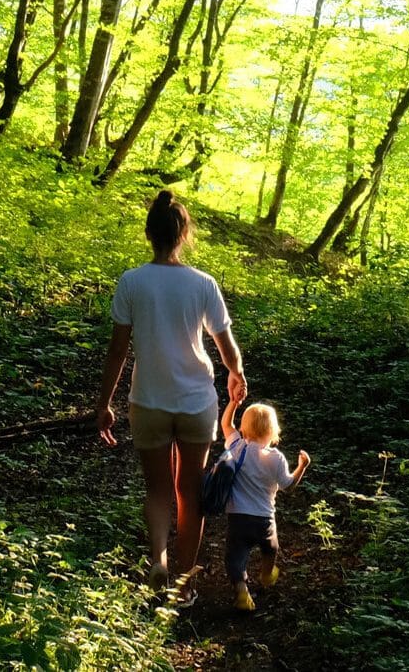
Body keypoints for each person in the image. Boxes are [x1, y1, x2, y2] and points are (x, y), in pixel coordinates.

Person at [96, 189, 247, 602]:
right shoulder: (203, 284)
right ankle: (183, 584)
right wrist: (236, 375)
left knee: (158, 490)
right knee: (190, 490)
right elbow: (227, 346)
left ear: (150, 234)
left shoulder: (132, 281)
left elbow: (117, 351)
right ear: (183, 235)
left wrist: (104, 404)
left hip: (148, 400)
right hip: (197, 401)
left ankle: (158, 560)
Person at [221, 398, 310, 611]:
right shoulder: (276, 458)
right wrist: (302, 466)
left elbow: (225, 424)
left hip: (238, 517)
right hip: (264, 519)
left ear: (243, 428)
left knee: (235, 556)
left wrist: (233, 402)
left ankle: (242, 592)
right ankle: (267, 574)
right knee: (271, 548)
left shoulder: (236, 447)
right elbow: (288, 485)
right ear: (273, 431)